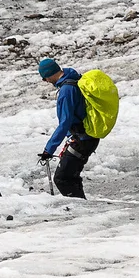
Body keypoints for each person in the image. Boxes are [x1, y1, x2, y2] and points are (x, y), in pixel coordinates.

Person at [37, 58, 95, 198]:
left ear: (49, 75)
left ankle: (81, 210)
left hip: (82, 139)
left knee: (62, 178)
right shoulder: (74, 79)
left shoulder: (66, 90)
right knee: (71, 176)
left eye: (44, 79)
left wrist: (49, 149)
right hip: (86, 137)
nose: (46, 82)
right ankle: (83, 206)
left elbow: (65, 123)